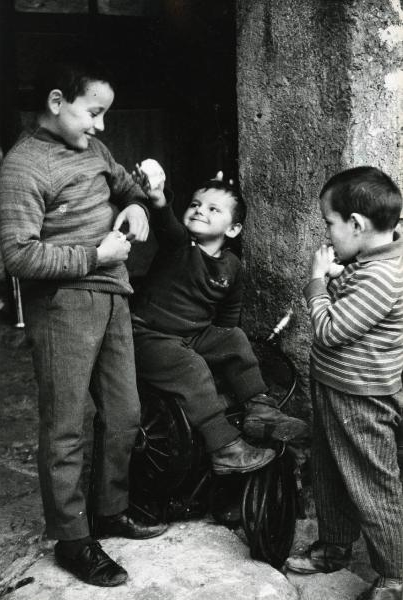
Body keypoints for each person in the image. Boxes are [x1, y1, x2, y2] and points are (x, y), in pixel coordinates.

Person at [0, 58, 168, 588]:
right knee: (67, 423)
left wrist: (138, 206)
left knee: (124, 411)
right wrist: (96, 254)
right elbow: (19, 257)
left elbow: (125, 187)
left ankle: (110, 510)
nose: (101, 126)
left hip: (115, 292)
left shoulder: (91, 148)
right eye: (93, 113)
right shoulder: (23, 168)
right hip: (65, 304)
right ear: (56, 102)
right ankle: (73, 538)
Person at [129, 161, 308, 476]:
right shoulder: (179, 246)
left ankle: (260, 409)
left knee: (235, 338)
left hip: (192, 335)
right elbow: (165, 222)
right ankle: (224, 448)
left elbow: (229, 314)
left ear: (233, 229)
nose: (200, 211)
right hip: (149, 335)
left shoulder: (232, 266)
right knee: (191, 366)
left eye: (214, 209)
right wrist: (157, 197)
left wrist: (226, 348)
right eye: (196, 204)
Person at [285, 167, 403, 600]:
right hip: (337, 386)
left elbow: (331, 331)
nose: (327, 234)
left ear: (356, 224)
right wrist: (339, 278)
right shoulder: (375, 259)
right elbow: (356, 299)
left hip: (361, 397)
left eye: (329, 223)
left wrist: (316, 281)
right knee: (330, 472)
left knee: (372, 485)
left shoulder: (382, 276)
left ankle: (396, 576)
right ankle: (334, 546)